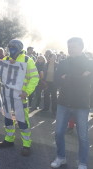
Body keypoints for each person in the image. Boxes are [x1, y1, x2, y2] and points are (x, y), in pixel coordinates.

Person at [50, 37, 92, 169]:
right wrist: (79, 77)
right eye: (69, 46)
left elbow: (87, 81)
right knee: (58, 133)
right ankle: (61, 157)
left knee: (83, 137)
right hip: (63, 102)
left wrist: (67, 77)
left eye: (73, 46)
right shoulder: (63, 62)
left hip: (81, 104)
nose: (70, 49)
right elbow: (56, 80)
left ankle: (82, 162)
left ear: (81, 47)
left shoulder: (89, 63)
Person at [0, 39, 39, 156]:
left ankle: (26, 144)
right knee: (8, 119)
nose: (11, 49)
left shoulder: (27, 60)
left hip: (20, 97)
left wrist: (27, 92)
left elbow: (35, 78)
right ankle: (9, 140)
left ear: (19, 48)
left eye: (13, 47)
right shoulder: (5, 59)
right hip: (7, 96)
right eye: (9, 47)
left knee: (22, 121)